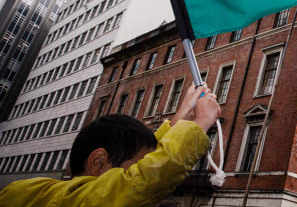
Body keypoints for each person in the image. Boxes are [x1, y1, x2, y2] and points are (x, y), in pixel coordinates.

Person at [0, 84, 221, 207]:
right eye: (134, 169)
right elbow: (144, 181)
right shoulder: (75, 202)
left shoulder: (26, 193)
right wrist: (200, 122)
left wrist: (181, 115)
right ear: (99, 163)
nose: (139, 171)